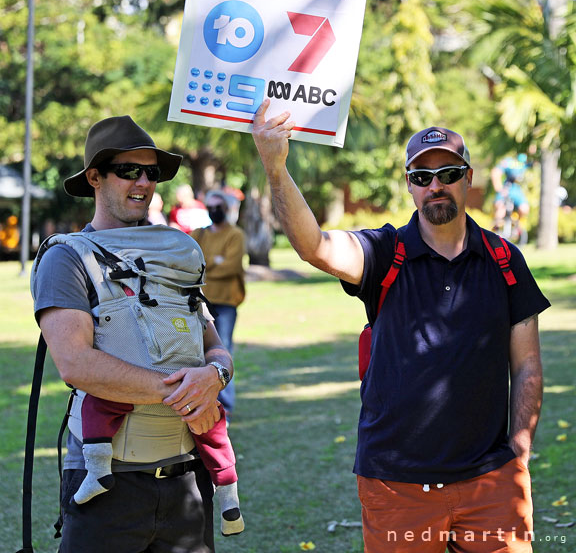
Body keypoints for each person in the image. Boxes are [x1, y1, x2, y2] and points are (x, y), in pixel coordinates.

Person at [252, 100, 550, 553]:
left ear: (469, 178)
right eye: (422, 176)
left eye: (448, 174)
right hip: (395, 484)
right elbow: (315, 246)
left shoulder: (505, 260)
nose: (436, 186)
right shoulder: (384, 252)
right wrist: (276, 168)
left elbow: (527, 364)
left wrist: (520, 450)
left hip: (490, 482)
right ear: (409, 186)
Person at [32, 115, 236, 553]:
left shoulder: (180, 254)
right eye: (128, 170)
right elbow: (76, 364)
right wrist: (186, 392)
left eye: (152, 172)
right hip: (107, 484)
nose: (143, 182)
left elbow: (215, 348)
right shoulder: (67, 259)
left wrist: (215, 376)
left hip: (186, 479)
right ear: (95, 178)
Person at [191, 191, 246, 414]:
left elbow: (231, 267)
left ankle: (227, 404)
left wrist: (205, 264)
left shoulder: (235, 235)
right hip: (199, 303)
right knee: (198, 353)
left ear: (227, 208)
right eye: (210, 206)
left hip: (226, 302)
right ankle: (205, 400)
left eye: (219, 206)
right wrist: (215, 261)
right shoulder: (198, 234)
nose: (215, 211)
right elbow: (189, 262)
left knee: (223, 351)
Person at [491, 154, 530, 233]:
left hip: (517, 191)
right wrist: (499, 188)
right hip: (506, 189)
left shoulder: (526, 163)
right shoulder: (509, 162)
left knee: (524, 208)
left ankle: (516, 226)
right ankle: (495, 230)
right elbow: (495, 172)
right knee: (500, 209)